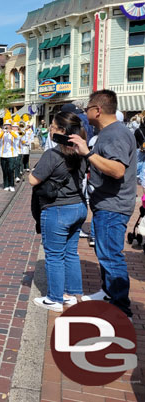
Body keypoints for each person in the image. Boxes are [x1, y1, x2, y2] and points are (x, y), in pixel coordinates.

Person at [70, 90, 136, 319]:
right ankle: (109, 293)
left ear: (97, 110)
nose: (85, 113)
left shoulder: (115, 134)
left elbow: (117, 170)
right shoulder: (110, 132)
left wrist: (88, 154)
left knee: (110, 255)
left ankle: (121, 306)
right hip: (106, 203)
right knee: (104, 251)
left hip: (113, 204)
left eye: (87, 108)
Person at [30, 112, 88, 312]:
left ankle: (55, 298)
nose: (51, 131)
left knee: (54, 255)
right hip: (78, 207)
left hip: (58, 209)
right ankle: (72, 294)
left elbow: (33, 180)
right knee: (71, 252)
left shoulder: (53, 154)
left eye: (53, 128)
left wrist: (33, 170)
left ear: (63, 131)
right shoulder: (82, 152)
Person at [0, 111, 19, 192]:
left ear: (11, 126)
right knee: (4, 170)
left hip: (12, 154)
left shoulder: (14, 133)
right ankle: (6, 184)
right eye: (5, 125)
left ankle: (11, 184)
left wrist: (10, 131)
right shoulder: (2, 133)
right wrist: (3, 132)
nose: (6, 127)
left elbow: (17, 138)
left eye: (8, 125)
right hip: (3, 154)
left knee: (11, 169)